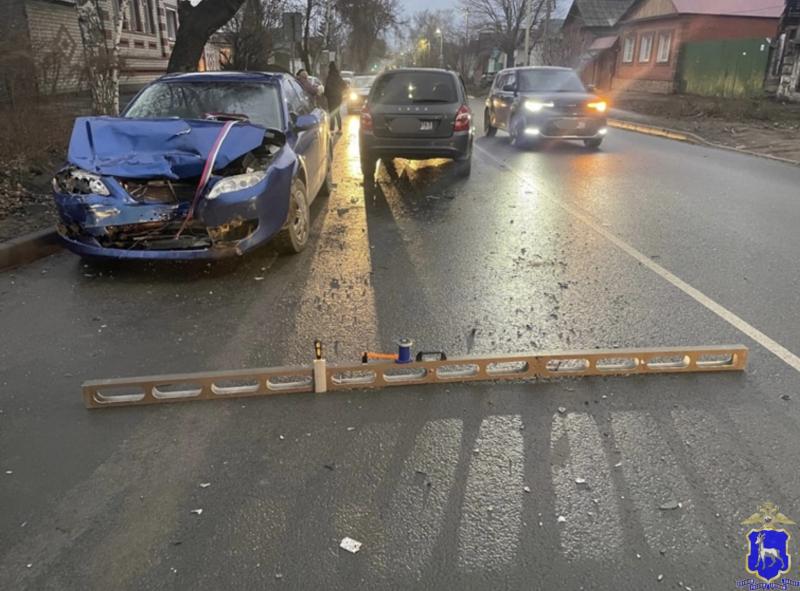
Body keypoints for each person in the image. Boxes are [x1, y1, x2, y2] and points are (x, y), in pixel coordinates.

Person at [324, 62, 346, 133]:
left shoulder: (329, 77)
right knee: (337, 112)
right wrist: (339, 91)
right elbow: (344, 85)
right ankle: (340, 128)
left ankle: (332, 128)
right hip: (338, 97)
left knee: (332, 113)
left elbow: (326, 88)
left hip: (331, 98)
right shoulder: (338, 76)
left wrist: (326, 95)